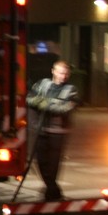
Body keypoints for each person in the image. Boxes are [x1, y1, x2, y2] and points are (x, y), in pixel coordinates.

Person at [27, 59, 80, 201]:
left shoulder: (71, 90)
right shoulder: (42, 84)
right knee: (40, 161)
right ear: (53, 71)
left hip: (58, 132)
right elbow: (30, 99)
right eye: (61, 73)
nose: (64, 76)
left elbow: (66, 108)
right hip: (41, 129)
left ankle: (51, 192)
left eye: (66, 74)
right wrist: (47, 103)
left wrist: (46, 104)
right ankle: (53, 190)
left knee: (53, 164)